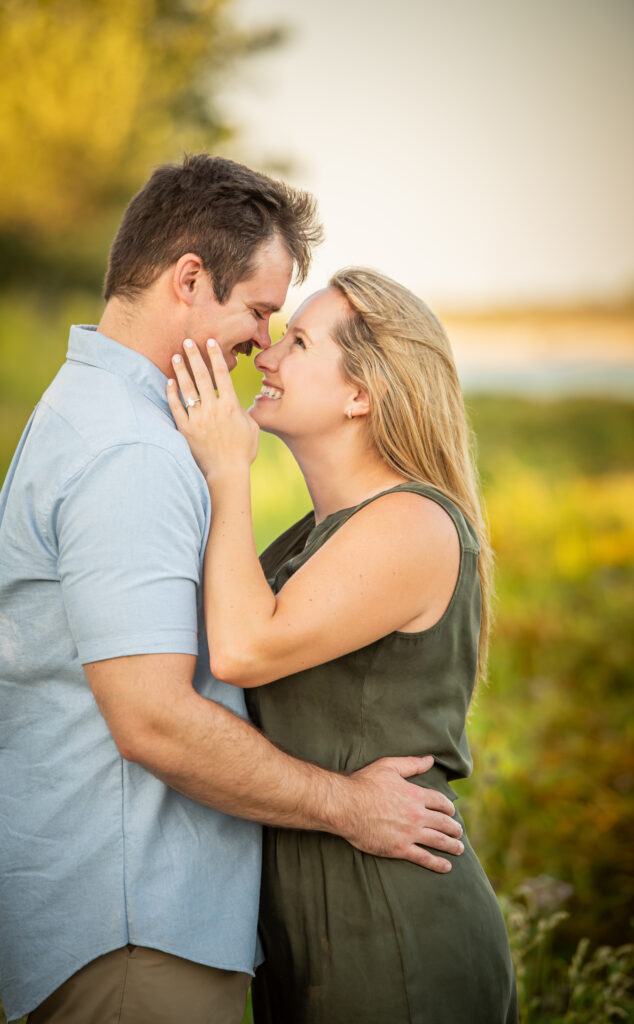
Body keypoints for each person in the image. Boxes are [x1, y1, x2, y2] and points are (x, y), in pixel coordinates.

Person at [0, 157, 462, 1024]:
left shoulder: (86, 414)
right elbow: (154, 718)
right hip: (137, 925)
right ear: (187, 279)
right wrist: (348, 807)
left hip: (134, 916)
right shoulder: (131, 452)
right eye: (257, 311)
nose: (261, 343)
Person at [167, 267, 519, 1024]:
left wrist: (229, 470)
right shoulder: (318, 537)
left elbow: (241, 651)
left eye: (297, 341)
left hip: (390, 921)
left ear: (362, 394)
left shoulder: (413, 523)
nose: (265, 356)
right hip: (306, 925)